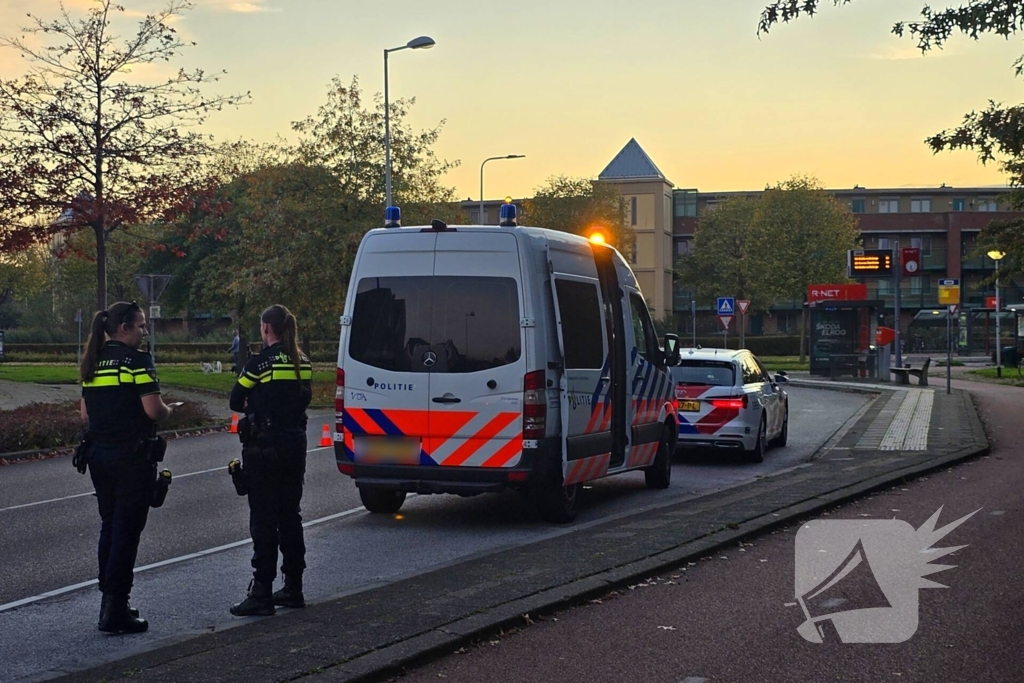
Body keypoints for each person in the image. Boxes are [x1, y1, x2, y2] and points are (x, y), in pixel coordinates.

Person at [79, 301, 176, 634]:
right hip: (132, 458)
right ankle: (116, 609)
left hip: (99, 457)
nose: (145, 331)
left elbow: (85, 414)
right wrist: (169, 411)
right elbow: (152, 410)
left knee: (109, 525)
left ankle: (108, 601)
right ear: (124, 328)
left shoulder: (93, 362)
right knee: (126, 532)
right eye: (141, 325)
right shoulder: (137, 361)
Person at [229, 305, 313, 616]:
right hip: (295, 444)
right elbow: (304, 397)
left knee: (264, 520)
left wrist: (257, 402)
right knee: (290, 515)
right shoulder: (301, 361)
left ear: (266, 329)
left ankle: (261, 591)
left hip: (264, 447)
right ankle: (293, 587)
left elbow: (235, 399)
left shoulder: (260, 362)